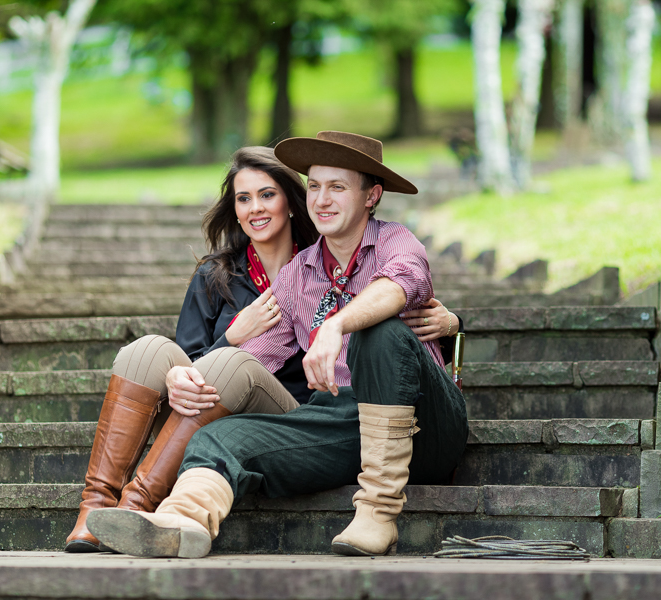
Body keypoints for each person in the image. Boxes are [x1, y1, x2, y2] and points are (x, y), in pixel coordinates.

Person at [86, 131, 469, 559]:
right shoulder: (297, 276)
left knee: (378, 331)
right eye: (316, 186)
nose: (322, 199)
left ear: (371, 196)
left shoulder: (397, 241)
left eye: (337, 187)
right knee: (221, 436)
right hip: (343, 424)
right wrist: (184, 374)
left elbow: (399, 285)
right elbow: (243, 363)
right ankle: (182, 521)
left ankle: (378, 514)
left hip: (424, 423)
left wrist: (336, 325)